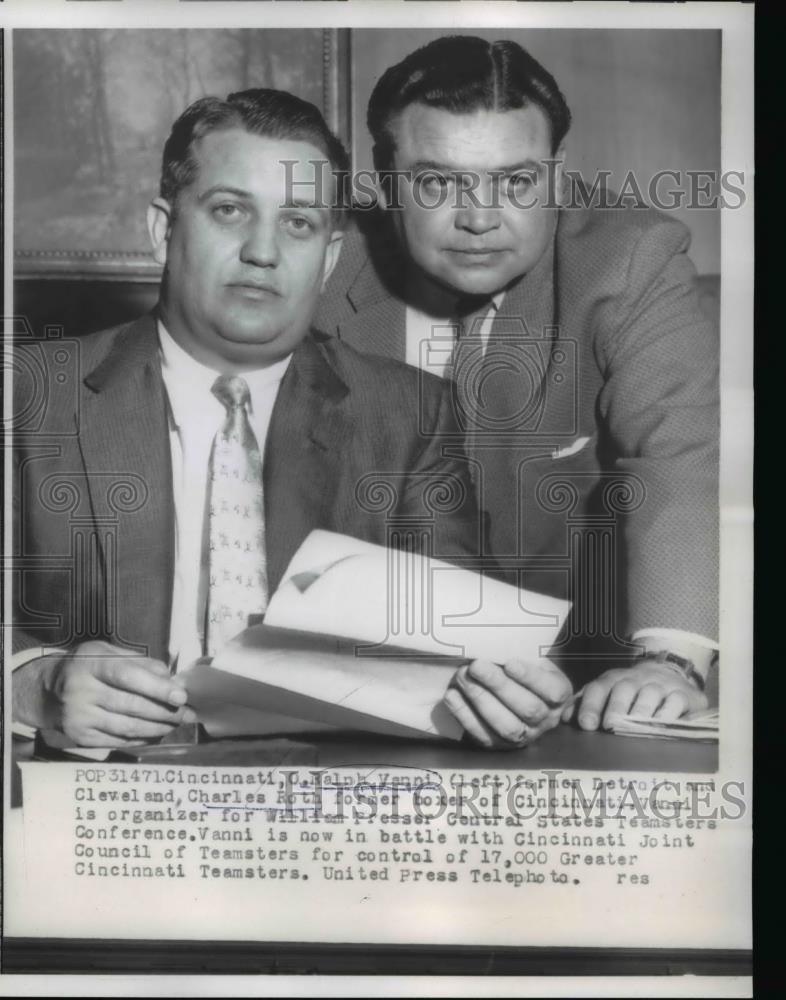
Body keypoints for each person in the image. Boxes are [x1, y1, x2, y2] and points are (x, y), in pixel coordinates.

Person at [11, 87, 573, 750]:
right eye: (229, 211)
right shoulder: (28, 396)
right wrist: (31, 683)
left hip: (326, 801)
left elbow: (467, 639)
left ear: (330, 256)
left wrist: (514, 690)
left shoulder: (408, 415)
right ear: (164, 229)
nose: (264, 251)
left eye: (299, 223)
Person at [315, 35, 717, 737]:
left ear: (557, 178)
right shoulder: (319, 266)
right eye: (439, 182)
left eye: (517, 181)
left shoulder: (632, 260)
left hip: (586, 687)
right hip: (365, 683)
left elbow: (677, 455)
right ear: (384, 180)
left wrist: (667, 663)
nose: (480, 218)